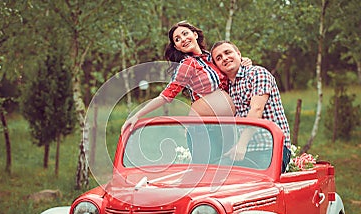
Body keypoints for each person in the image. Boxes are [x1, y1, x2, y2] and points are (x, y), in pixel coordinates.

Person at [121, 21, 251, 133]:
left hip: (229, 124)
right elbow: (166, 96)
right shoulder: (187, 64)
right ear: (177, 47)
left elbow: (231, 71)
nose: (182, 39)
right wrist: (136, 115)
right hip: (205, 129)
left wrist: (242, 60)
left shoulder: (211, 58)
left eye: (185, 33)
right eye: (177, 39)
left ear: (194, 34)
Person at [211, 40, 291, 172]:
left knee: (246, 186)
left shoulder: (257, 73)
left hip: (271, 148)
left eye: (227, 53)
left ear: (238, 54)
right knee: (213, 174)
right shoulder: (226, 88)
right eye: (219, 58)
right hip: (244, 150)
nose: (224, 58)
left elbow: (257, 109)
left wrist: (241, 144)